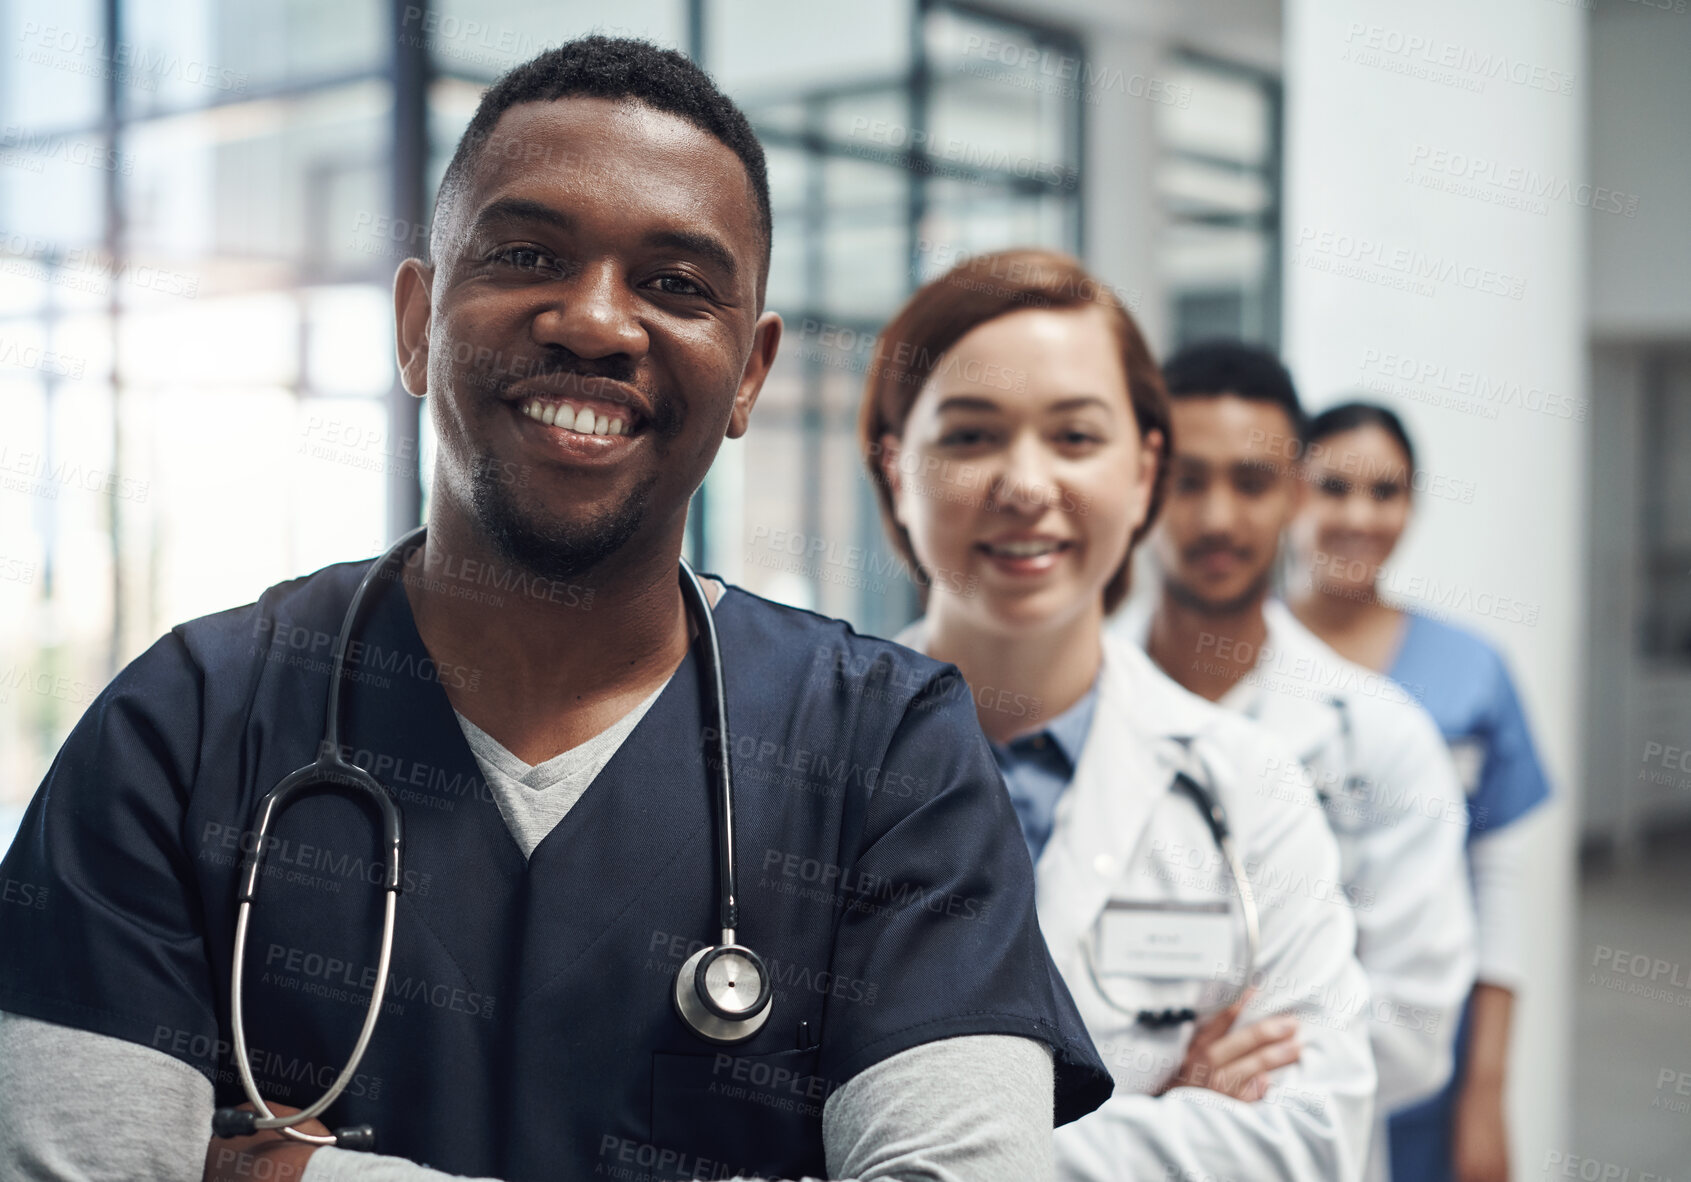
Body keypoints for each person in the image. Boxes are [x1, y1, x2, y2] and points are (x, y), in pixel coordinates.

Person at [0, 39, 1115, 1182]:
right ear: (415, 324)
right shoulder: (180, 729)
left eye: (676, 284)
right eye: (528, 254)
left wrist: (314, 1177)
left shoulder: (890, 752)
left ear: (748, 373)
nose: (594, 323)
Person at [860, 248, 1376, 1181]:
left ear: (1144, 472)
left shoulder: (1246, 786)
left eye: (1074, 438)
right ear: (895, 467)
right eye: (971, 436)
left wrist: (927, 1151)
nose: (1025, 485)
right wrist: (1164, 1124)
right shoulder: (782, 766)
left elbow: (1312, 1139)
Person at [1122, 341, 1477, 1181]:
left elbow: (1416, 1029)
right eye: (1188, 480)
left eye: (1250, 482)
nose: (1216, 518)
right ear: (1141, 485)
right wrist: (1150, 1095)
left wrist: (1207, 1103)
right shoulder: (1060, 713)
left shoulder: (1382, 736)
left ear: (1292, 493)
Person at [1288, 400, 1552, 1182]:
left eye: (1386, 491)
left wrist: (1486, 1092)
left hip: (1423, 1047)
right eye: (1331, 487)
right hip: (1269, 1041)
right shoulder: (1233, 660)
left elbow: (1495, 890)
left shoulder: (1471, 672)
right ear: (1291, 494)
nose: (1358, 516)